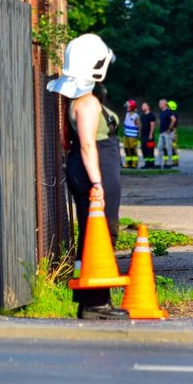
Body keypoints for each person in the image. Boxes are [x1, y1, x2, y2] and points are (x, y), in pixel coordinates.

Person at [46, 33, 129, 320]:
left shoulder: (71, 101)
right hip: (96, 167)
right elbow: (87, 144)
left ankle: (90, 300)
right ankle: (97, 302)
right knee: (103, 232)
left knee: (93, 233)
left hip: (86, 167)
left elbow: (67, 141)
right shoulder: (88, 103)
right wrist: (97, 183)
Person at [157, 98, 177, 169]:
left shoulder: (168, 112)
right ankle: (158, 164)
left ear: (164, 104)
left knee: (168, 148)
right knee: (159, 147)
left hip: (167, 133)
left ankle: (169, 164)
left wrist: (169, 129)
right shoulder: (162, 112)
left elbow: (173, 119)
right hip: (161, 132)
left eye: (160, 103)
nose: (159, 105)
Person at [122, 100, 140, 169]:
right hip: (126, 135)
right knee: (126, 149)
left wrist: (138, 136)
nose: (127, 107)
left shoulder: (136, 116)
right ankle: (128, 162)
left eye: (128, 106)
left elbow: (138, 126)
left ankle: (134, 163)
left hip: (133, 136)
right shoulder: (127, 114)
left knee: (133, 149)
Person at [139, 102, 157, 169]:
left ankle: (151, 164)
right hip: (143, 136)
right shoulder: (143, 116)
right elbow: (141, 125)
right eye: (142, 106)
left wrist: (151, 134)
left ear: (148, 107)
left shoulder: (151, 115)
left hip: (149, 136)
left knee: (150, 150)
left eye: (144, 106)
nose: (142, 107)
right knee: (144, 150)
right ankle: (146, 163)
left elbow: (152, 125)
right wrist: (140, 134)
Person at [167, 99, 180, 167]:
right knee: (173, 148)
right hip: (174, 132)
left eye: (168, 106)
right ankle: (175, 161)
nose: (167, 107)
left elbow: (173, 125)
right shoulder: (174, 114)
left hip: (173, 132)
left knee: (173, 148)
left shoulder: (173, 115)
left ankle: (176, 162)